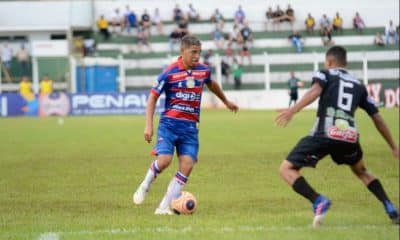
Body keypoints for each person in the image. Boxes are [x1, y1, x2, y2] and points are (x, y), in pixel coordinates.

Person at [275, 46, 400, 228]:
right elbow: (377, 118)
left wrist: (293, 110)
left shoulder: (325, 74)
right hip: (349, 138)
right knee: (362, 172)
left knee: (286, 169)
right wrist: (393, 146)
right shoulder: (359, 85)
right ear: (345, 63)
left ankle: (318, 201)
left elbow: (315, 91)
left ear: (330, 62)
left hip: (324, 134)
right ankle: (390, 206)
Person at [133, 35, 238, 215]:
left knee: (187, 165)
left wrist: (226, 101)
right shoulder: (169, 73)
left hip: (190, 128)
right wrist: (148, 126)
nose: (197, 56)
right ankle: (146, 183)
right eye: (193, 52)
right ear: (182, 51)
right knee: (165, 161)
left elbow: (212, 85)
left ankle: (164, 207)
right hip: (169, 125)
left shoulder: (203, 71)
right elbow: (152, 98)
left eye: (199, 52)